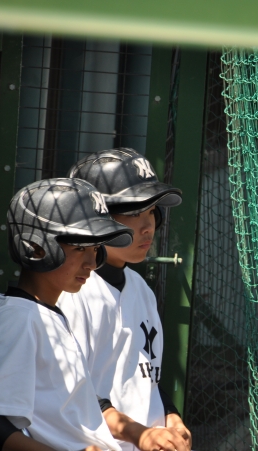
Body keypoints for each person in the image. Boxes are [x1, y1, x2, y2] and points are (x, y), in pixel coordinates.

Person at [0, 178, 134, 451]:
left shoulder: (46, 312)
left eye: (95, 249)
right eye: (79, 248)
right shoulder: (19, 318)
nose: (91, 263)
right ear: (35, 247)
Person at [59, 148, 192, 451]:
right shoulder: (72, 293)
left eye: (152, 212)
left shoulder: (141, 289)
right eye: (133, 214)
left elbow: (145, 379)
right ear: (96, 218)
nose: (148, 226)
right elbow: (70, 392)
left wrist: (171, 415)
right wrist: (139, 434)